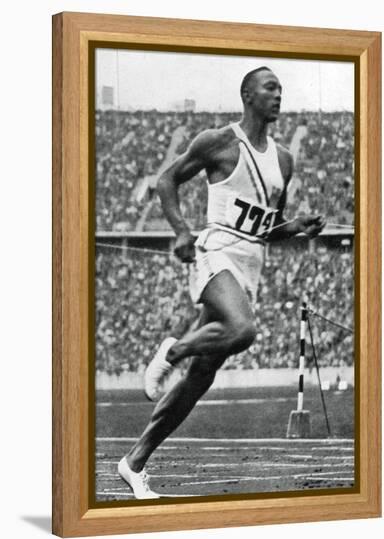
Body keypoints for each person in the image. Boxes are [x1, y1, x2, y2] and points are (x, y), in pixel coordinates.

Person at [118, 66, 325, 499]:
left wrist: (298, 226)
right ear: (248, 95)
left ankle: (134, 463)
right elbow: (166, 179)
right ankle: (172, 350)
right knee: (242, 330)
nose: (278, 95)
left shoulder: (284, 160)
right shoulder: (219, 141)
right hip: (215, 252)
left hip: (251, 266)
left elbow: (266, 228)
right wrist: (179, 230)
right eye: (270, 88)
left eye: (281, 89)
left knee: (200, 378)